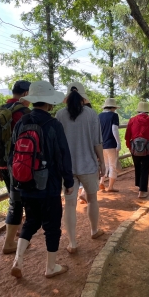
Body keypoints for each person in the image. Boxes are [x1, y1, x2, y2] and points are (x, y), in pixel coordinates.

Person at [9, 80, 74, 279]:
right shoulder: (53, 124)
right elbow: (62, 155)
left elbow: (12, 151)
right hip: (49, 184)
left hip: (25, 181)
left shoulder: (22, 122)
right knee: (52, 226)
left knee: (30, 221)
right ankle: (50, 267)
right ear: (48, 103)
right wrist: (68, 182)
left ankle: (18, 260)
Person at [55, 81, 106, 254]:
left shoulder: (59, 115)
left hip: (67, 169)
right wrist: (102, 163)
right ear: (83, 98)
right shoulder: (92, 115)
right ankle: (94, 231)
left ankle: (73, 243)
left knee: (69, 205)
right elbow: (97, 143)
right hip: (89, 165)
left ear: (67, 97)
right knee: (92, 199)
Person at [0, 80, 31, 255]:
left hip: (3, 164)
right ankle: (9, 243)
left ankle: (17, 231)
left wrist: (0, 163)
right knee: (16, 203)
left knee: (15, 199)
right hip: (18, 165)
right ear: (26, 94)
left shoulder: (2, 109)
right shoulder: (22, 113)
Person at [125, 101, 149, 198]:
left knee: (137, 167)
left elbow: (127, 136)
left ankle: (139, 185)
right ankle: (142, 191)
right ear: (147, 111)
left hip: (134, 148)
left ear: (138, 110)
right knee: (145, 169)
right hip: (147, 149)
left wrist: (130, 147)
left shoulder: (132, 120)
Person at [98, 98, 121, 193]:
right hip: (111, 144)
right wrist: (118, 143)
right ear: (113, 107)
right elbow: (114, 129)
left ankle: (101, 182)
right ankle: (110, 187)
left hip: (101, 144)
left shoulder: (99, 116)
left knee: (105, 164)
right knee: (112, 166)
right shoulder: (114, 116)